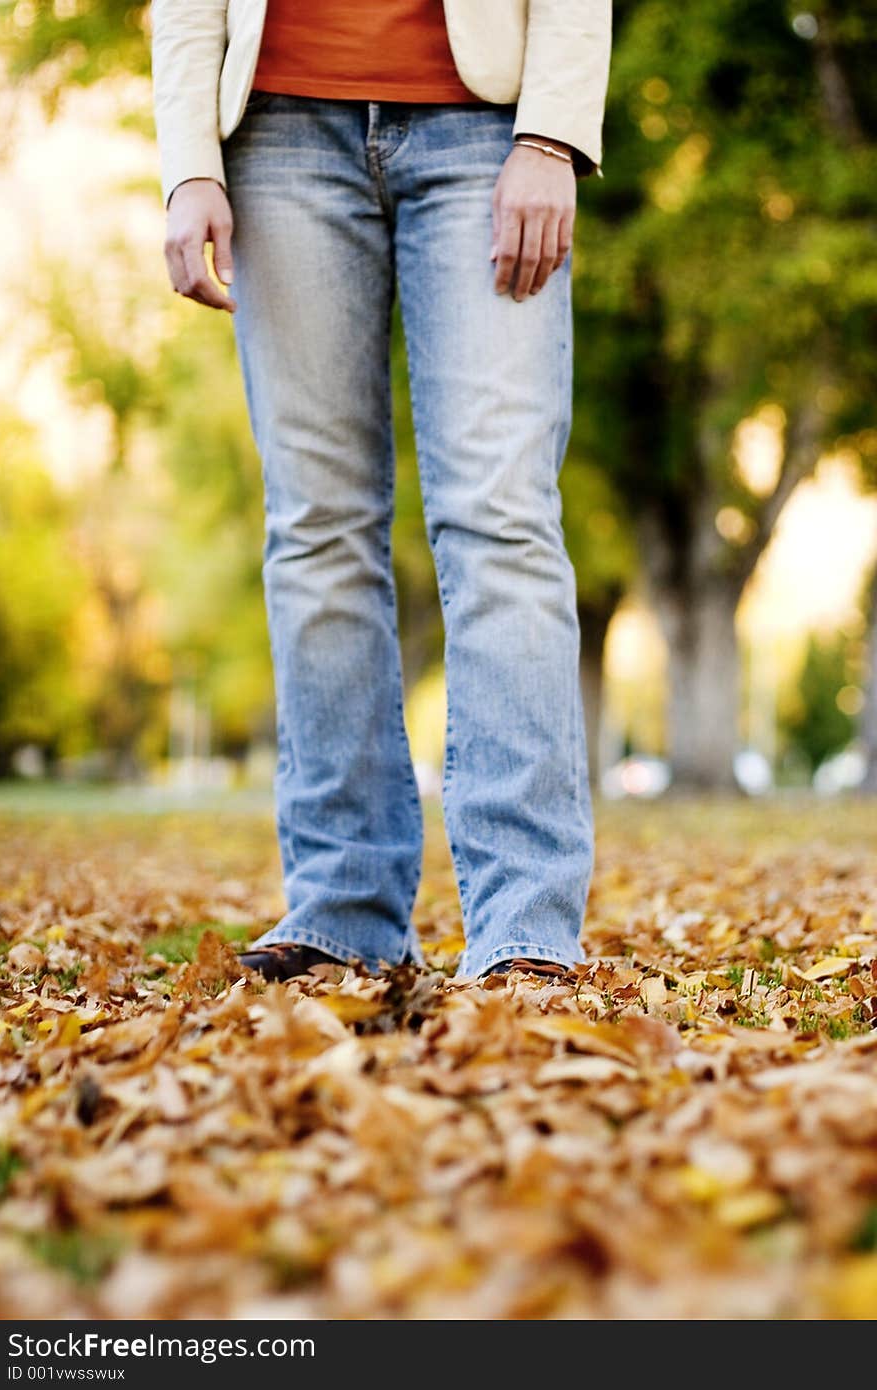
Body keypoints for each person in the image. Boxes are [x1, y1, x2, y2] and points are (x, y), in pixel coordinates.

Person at [151, 1, 611, 982]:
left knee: (502, 520)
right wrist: (188, 160)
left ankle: (526, 926)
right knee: (316, 528)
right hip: (276, 127)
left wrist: (552, 132)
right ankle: (345, 909)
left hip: (487, 125)